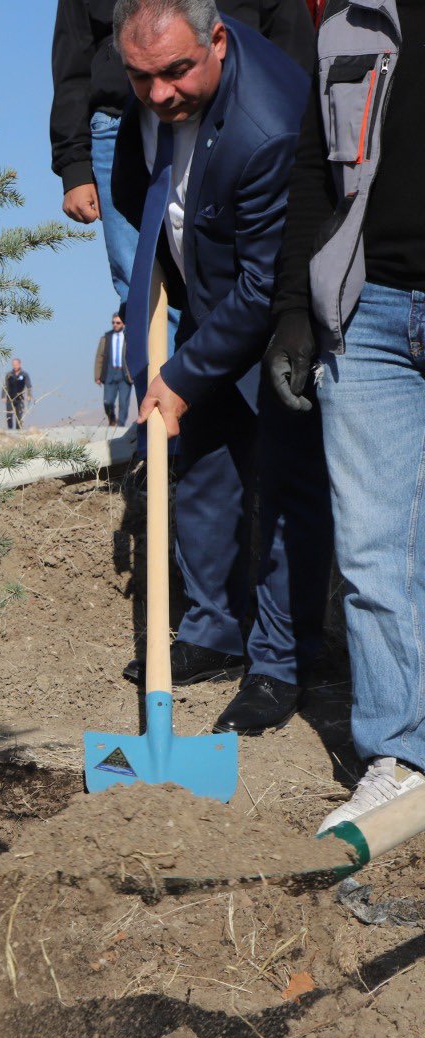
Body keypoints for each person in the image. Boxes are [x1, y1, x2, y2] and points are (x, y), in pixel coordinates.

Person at [111, 0, 332, 731]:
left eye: (176, 72)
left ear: (217, 39)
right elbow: (137, 182)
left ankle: (278, 664)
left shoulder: (270, 123)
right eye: (144, 79)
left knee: (285, 480)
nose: (161, 94)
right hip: (208, 284)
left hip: (282, 314)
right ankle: (213, 628)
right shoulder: (147, 87)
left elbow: (267, 284)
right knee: (202, 458)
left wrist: (178, 376)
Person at [270, 0, 425, 830]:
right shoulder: (350, 29)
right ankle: (399, 757)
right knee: (372, 551)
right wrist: (296, 307)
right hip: (369, 315)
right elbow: (311, 174)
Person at [51, 0, 313, 303]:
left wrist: (292, 112)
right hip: (118, 120)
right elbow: (73, 48)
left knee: (240, 272)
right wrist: (74, 161)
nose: (161, 90)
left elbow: (287, 25)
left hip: (234, 111)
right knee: (143, 290)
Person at [94, 311, 135, 425]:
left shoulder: (129, 337)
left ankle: (121, 426)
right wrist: (97, 376)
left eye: (118, 322)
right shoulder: (106, 338)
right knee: (108, 402)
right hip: (109, 374)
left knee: (124, 402)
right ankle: (112, 419)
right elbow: (99, 357)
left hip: (125, 374)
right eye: (113, 323)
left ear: (123, 324)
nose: (115, 325)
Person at [4, 358, 33, 429]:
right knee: (9, 414)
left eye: (16, 364)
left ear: (20, 364)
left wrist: (29, 395)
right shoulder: (9, 374)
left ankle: (18, 430)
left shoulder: (24, 374)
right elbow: (5, 386)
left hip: (19, 398)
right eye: (13, 364)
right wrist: (3, 396)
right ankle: (10, 429)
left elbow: (29, 386)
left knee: (19, 415)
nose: (15, 366)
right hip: (9, 397)